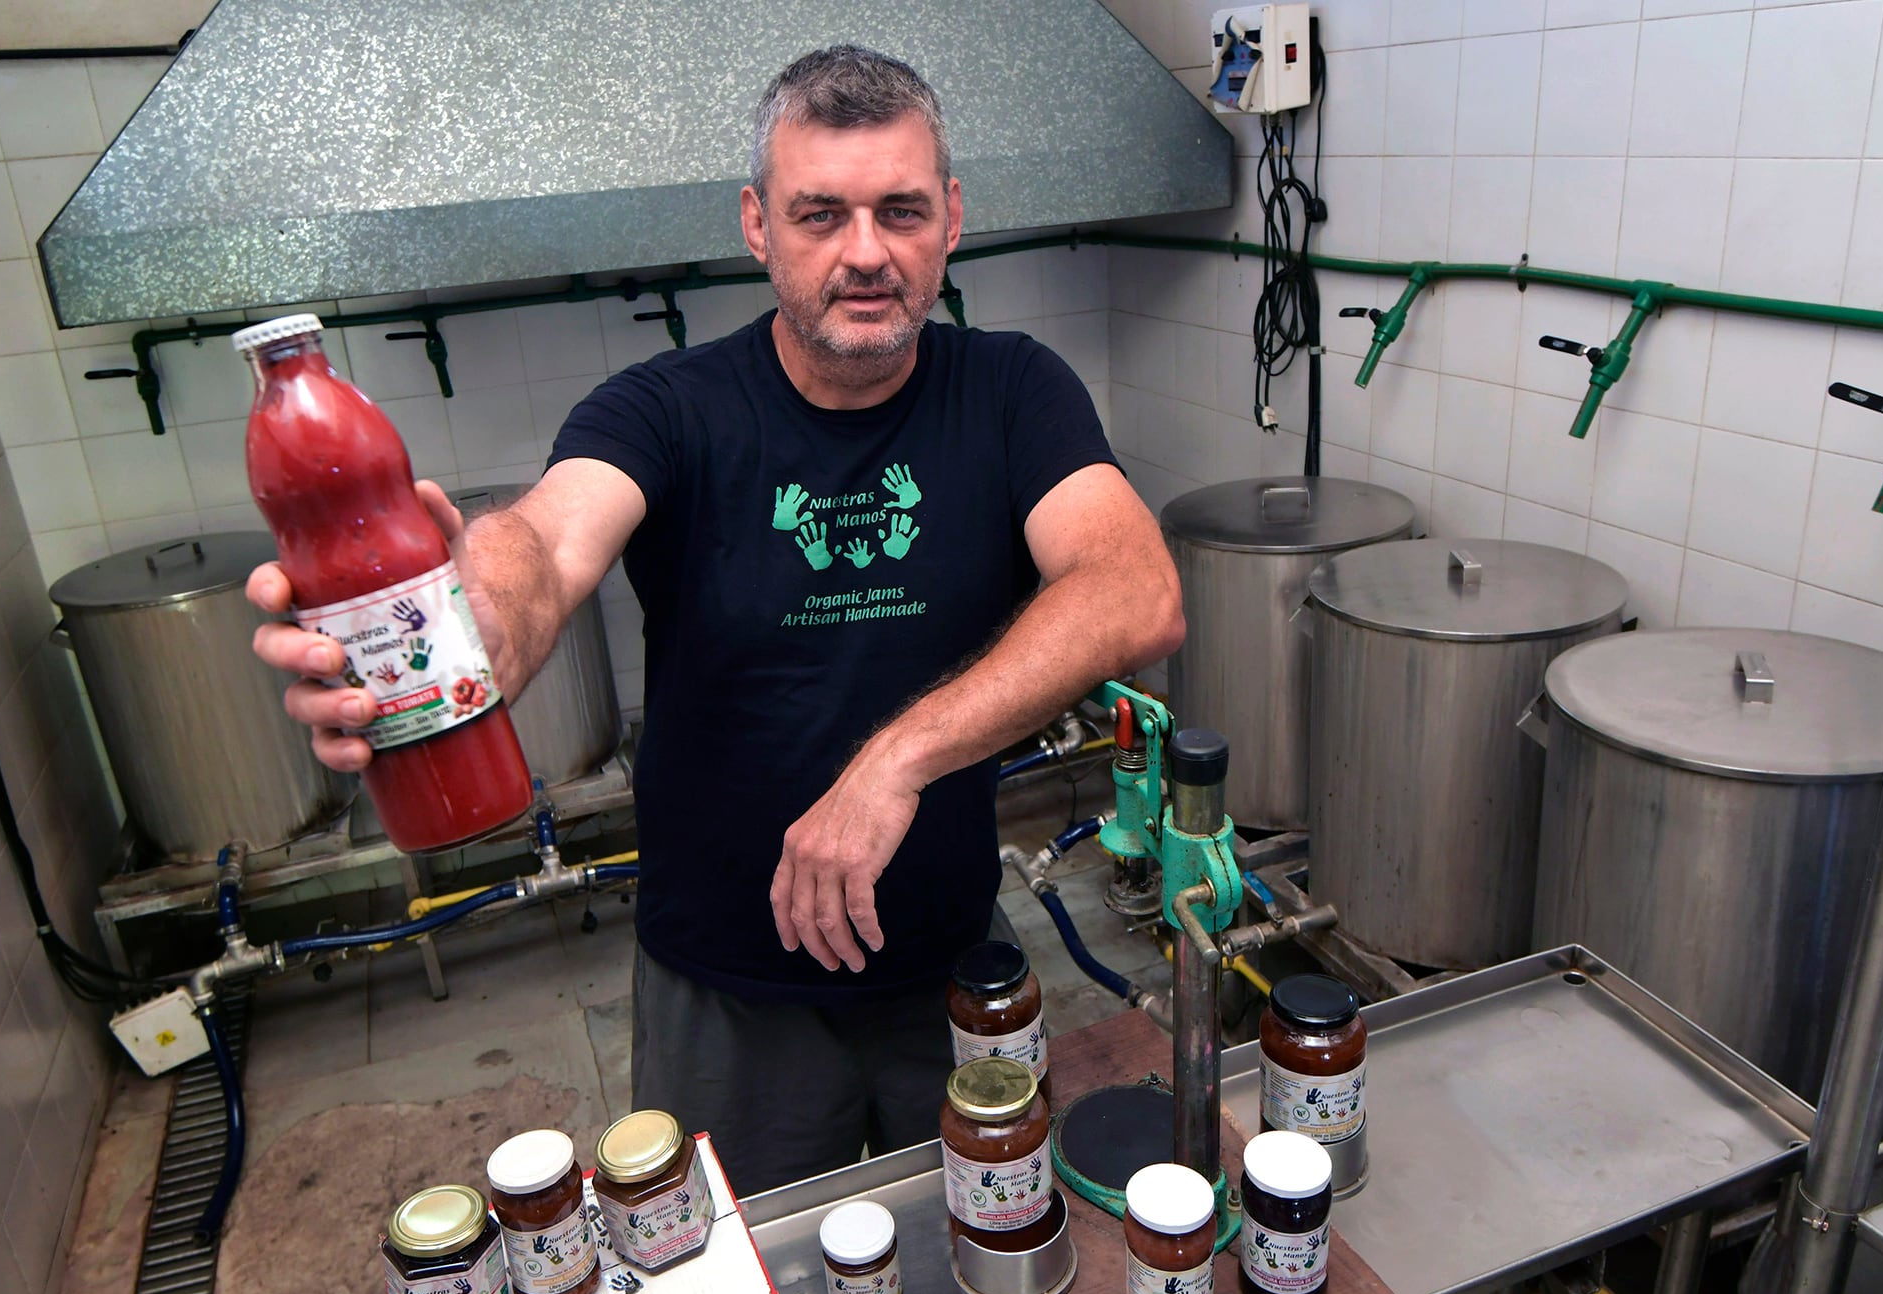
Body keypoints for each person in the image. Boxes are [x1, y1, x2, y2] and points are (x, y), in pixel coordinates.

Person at [250, 44, 1184, 1196]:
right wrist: (466, 620)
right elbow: (542, 540)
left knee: (976, 1257)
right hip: (724, 988)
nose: (864, 253)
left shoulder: (1012, 391)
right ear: (756, 225)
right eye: (817, 214)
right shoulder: (665, 408)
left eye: (899, 211)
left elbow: (1132, 588)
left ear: (949, 218)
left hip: (948, 962)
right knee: (742, 1281)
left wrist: (891, 763)